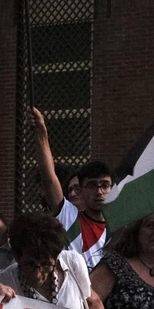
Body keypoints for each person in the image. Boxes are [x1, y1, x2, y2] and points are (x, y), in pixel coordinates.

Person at [29, 106, 111, 268]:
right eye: (92, 186)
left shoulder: (120, 228)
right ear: (82, 189)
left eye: (104, 185)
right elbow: (49, 177)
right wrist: (41, 135)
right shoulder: (70, 217)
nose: (99, 191)